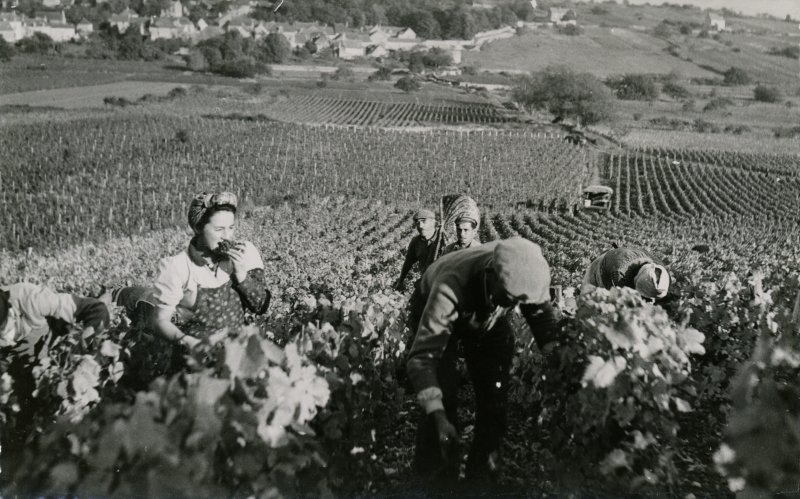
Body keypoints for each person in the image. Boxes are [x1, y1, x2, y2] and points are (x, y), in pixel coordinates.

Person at [405, 237, 559, 490]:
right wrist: (439, 416)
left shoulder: (530, 272)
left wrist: (559, 362)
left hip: (490, 315)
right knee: (442, 389)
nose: (514, 305)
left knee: (495, 393)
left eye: (517, 301)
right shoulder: (451, 284)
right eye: (508, 297)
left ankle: (483, 473)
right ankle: (435, 476)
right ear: (491, 274)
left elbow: (543, 322)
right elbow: (423, 358)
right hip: (433, 303)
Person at [108, 191, 270, 350]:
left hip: (233, 351)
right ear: (198, 228)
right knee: (141, 303)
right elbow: (161, 321)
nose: (227, 236)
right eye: (219, 229)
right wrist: (186, 341)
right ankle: (112, 296)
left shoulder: (245, 252)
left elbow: (260, 306)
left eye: (231, 227)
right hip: (190, 350)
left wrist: (241, 275)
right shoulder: (179, 266)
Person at [0, 283, 110, 353]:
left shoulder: (33, 299)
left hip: (46, 336)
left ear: (9, 311)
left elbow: (97, 309)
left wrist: (80, 348)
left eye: (2, 328)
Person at [580, 247, 671, 299]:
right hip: (601, 269)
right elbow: (616, 299)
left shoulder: (659, 269)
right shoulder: (618, 276)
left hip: (620, 258)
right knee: (590, 297)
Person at [394, 208, 439, 291]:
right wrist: (400, 281)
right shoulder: (416, 242)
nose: (420, 226)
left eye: (424, 221)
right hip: (425, 282)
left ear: (433, 222)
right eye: (418, 223)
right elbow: (408, 262)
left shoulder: (443, 240)